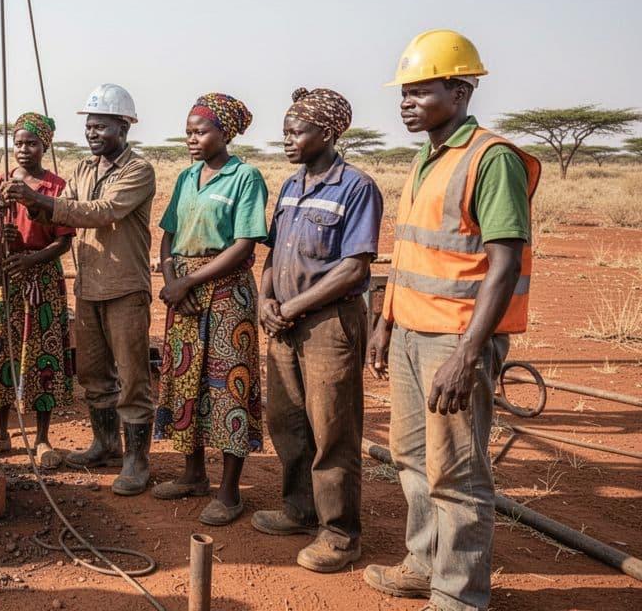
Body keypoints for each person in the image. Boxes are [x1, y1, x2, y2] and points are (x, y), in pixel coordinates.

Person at [365, 30, 538, 611]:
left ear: (461, 90)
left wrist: (468, 353)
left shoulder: (492, 159)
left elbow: (505, 262)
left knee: (457, 474)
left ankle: (459, 596)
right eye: (404, 93)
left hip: (454, 342)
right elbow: (413, 253)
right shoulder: (426, 159)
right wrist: (385, 322)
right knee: (412, 459)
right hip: (411, 333)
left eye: (420, 91)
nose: (407, 103)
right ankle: (423, 564)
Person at [1, 84, 156, 496]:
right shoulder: (84, 171)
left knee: (133, 378)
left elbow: (101, 212)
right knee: (93, 375)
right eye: (89, 126)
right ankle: (105, 444)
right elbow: (58, 214)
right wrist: (28, 202)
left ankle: (137, 462)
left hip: (124, 288)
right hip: (88, 288)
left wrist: (39, 199)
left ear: (123, 126)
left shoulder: (138, 171)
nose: (92, 133)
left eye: (101, 126)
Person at [253, 87, 383, 572]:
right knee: (287, 422)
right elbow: (272, 254)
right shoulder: (291, 186)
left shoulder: (356, 187)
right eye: (285, 130)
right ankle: (299, 510)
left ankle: (340, 533)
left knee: (334, 431)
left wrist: (292, 307)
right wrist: (268, 298)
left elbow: (353, 268)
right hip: (284, 322)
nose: (286, 139)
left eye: (296, 131)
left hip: (330, 324)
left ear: (327, 134)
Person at [151, 93, 267, 526]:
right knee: (184, 381)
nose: (192, 139)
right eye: (188, 133)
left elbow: (243, 245)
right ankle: (192, 473)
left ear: (225, 133)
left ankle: (230, 491)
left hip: (225, 293)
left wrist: (189, 281)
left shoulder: (246, 177)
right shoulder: (186, 178)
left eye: (200, 132)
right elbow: (168, 233)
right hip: (182, 292)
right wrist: (170, 279)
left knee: (227, 386)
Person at [0, 112, 75, 469]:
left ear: (44, 145)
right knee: (0, 353)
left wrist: (30, 259)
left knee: (40, 357)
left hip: (41, 281)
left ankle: (43, 438)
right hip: (4, 281)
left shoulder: (55, 188)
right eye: (17, 143)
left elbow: (64, 243)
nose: (23, 149)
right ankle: (1, 434)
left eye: (31, 143)